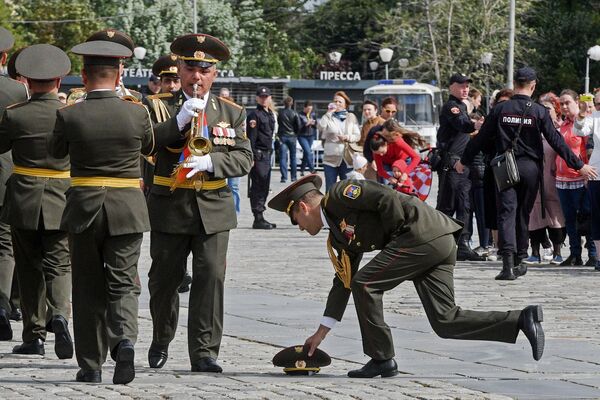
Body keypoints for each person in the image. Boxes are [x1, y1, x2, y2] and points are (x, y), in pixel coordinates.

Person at [268, 175, 546, 378]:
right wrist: (321, 332)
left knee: (366, 283)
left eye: (296, 221)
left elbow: (385, 197)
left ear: (302, 208)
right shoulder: (339, 239)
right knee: (445, 321)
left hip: (420, 235)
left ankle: (381, 358)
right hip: (436, 240)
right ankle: (521, 319)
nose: (301, 228)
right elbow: (343, 281)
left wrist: (396, 237)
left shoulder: (340, 194)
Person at [49, 39, 183, 384]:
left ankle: (91, 365)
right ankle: (124, 338)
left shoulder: (69, 114)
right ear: (120, 72)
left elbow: (55, 152)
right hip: (126, 207)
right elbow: (150, 147)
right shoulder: (137, 111)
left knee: (87, 285)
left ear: (83, 74)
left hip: (83, 207)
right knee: (123, 282)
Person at [145, 33, 252, 374]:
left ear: (214, 74)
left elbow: (245, 157)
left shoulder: (231, 112)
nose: (197, 76)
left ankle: (204, 351)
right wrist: (177, 123)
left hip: (214, 208)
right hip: (171, 205)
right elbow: (144, 144)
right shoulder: (157, 105)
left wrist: (213, 164)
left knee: (210, 280)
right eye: (190, 68)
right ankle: (162, 336)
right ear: (178, 67)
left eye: (205, 70)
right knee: (164, 281)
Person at [457, 67, 597, 280]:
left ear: (515, 84)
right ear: (533, 86)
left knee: (506, 213)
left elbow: (481, 138)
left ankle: (507, 264)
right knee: (523, 213)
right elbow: (556, 141)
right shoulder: (539, 111)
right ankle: (521, 258)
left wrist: (464, 160)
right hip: (531, 168)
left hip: (505, 166)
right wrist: (579, 165)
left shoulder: (501, 109)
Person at [0, 44, 73, 359]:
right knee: (59, 262)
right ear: (58, 81)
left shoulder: (16, 115)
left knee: (29, 266)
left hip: (24, 197)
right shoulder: (69, 113)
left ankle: (34, 334)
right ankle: (60, 314)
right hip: (61, 196)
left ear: (26, 81)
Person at [436, 73, 484, 261]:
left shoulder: (463, 106)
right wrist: (476, 124)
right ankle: (439, 244)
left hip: (462, 162)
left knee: (464, 204)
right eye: (460, 85)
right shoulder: (452, 107)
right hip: (451, 161)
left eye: (466, 86)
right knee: (447, 204)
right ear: (451, 87)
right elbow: (463, 125)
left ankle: (463, 243)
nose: (465, 89)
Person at [0, 27, 28, 342]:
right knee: (5, 246)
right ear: (5, 57)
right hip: (6, 177)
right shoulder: (18, 92)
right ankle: (3, 308)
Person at [554, 89, 596, 267]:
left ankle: (593, 253)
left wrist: (588, 174)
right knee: (569, 219)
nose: (564, 106)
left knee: (587, 217)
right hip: (562, 179)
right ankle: (574, 253)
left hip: (580, 178)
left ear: (576, 102)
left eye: (567, 103)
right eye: (561, 103)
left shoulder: (584, 123)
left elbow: (589, 150)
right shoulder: (561, 125)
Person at [574, 90, 600, 270]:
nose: (598, 106)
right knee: (598, 215)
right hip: (598, 173)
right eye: (597, 103)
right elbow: (580, 129)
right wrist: (582, 112)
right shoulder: (595, 117)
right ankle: (599, 257)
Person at [247, 86, 277, 229]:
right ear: (257, 98)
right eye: (261, 97)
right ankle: (257, 217)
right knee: (258, 186)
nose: (264, 99)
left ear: (270, 98)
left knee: (265, 185)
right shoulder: (254, 115)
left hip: (267, 154)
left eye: (266, 97)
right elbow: (251, 138)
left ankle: (261, 215)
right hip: (258, 154)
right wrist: (252, 156)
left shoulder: (270, 114)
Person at [318, 91, 360, 191]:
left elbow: (357, 136)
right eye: (335, 101)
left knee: (346, 188)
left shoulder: (351, 117)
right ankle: (329, 206)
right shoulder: (328, 116)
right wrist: (328, 113)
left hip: (347, 158)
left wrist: (347, 137)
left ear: (346, 104)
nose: (337, 103)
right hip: (330, 158)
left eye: (340, 102)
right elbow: (320, 127)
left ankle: (346, 207)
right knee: (330, 188)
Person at [363, 97, 398, 181]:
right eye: (388, 111)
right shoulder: (373, 124)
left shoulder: (391, 124)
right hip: (374, 161)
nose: (390, 114)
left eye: (393, 112)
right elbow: (365, 145)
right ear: (382, 109)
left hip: (386, 163)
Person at [277, 96, 301, 183]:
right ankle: (293, 177)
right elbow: (298, 126)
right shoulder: (295, 113)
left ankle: (284, 177)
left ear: (284, 103)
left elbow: (279, 123)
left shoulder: (280, 113)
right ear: (291, 103)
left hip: (283, 136)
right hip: (292, 137)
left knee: (283, 157)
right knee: (293, 157)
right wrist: (295, 134)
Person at [298, 100, 317, 176]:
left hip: (311, 135)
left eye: (311, 109)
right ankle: (312, 169)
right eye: (308, 109)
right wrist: (305, 124)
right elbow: (298, 126)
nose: (309, 111)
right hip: (302, 135)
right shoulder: (300, 115)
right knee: (308, 151)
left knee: (306, 153)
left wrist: (313, 123)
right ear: (305, 108)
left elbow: (316, 125)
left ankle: (302, 170)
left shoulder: (313, 114)